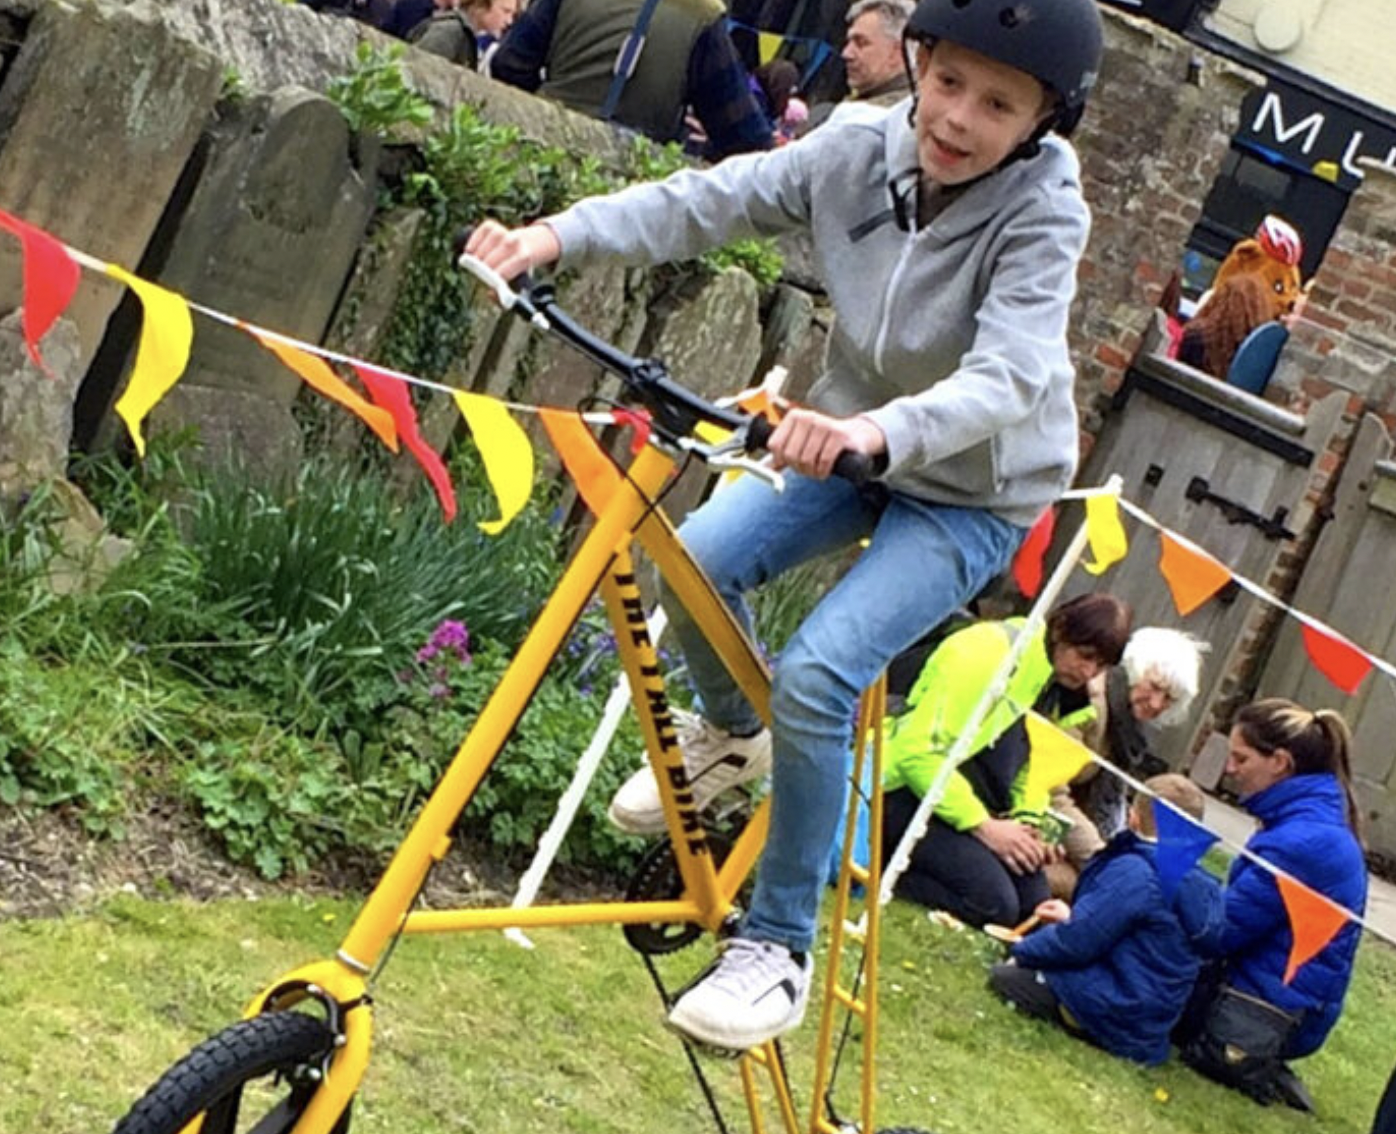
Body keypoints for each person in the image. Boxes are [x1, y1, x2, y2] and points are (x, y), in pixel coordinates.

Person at [465, 0, 1105, 1052]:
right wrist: (551, 237)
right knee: (690, 558)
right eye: (947, 83)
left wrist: (875, 432)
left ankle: (777, 947)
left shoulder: (1044, 215)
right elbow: (707, 199)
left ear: (1043, 122)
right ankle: (732, 735)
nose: (957, 119)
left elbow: (1009, 374)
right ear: (920, 61)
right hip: (850, 441)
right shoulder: (855, 147)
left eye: (998, 104)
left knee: (821, 670)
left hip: (972, 489)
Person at [878, 594, 1132, 930]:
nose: (1088, 672)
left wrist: (1029, 825)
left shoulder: (1044, 675)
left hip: (955, 797)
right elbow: (916, 753)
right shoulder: (988, 654)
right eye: (1085, 656)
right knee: (994, 904)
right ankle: (877, 863)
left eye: (1100, 667)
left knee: (1035, 906)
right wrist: (983, 827)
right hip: (897, 788)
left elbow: (1023, 765)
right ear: (1059, 630)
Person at [1177, 698, 1368, 1109]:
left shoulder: (1303, 843)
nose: (1230, 769)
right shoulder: (1308, 827)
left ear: (1280, 762)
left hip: (1264, 1013)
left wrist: (1171, 875)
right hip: (1279, 1003)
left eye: (1241, 758)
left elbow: (1219, 931)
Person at [990, 774, 1225, 1065]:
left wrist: (1021, 951)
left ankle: (1079, 1019)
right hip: (1149, 1024)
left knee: (1007, 978)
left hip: (1112, 1005)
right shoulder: (1208, 887)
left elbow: (1079, 940)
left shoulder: (1136, 870)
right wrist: (1071, 918)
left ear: (1133, 817)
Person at [488, 0, 774, 160]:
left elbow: (509, 63)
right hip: (628, 183)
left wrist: (549, 106)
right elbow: (746, 140)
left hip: (540, 145)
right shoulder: (703, 16)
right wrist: (686, 145)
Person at [1045, 627, 1207, 898]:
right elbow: (1051, 789)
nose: (1156, 703)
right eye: (1154, 686)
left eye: (1169, 698)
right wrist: (1100, 858)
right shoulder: (1089, 705)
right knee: (1093, 890)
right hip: (1031, 812)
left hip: (1065, 827)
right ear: (1133, 670)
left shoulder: (1127, 730)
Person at [802, 0, 913, 133]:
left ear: (897, 53)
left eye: (861, 43)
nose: (846, 54)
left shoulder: (879, 120)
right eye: (849, 42)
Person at [405, 0, 518, 69]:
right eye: (505, 11)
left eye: (512, 14)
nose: (509, 21)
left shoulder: (466, 36)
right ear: (482, 5)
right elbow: (417, 69)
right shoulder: (450, 31)